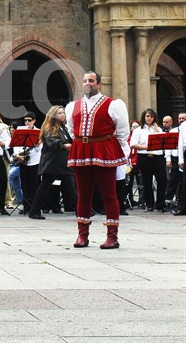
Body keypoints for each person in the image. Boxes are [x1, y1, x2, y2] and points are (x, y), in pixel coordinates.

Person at [66, 71, 129, 249]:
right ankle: (82, 235)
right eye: (85, 80)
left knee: (109, 194)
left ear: (99, 84)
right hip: (82, 149)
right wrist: (82, 140)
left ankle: (112, 237)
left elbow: (123, 130)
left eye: (91, 80)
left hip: (103, 149)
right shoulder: (73, 106)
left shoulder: (113, 104)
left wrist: (117, 149)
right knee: (83, 195)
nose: (87, 83)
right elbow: (71, 129)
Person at [29, 106, 77, 219]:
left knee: (71, 186)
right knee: (45, 187)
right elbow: (52, 141)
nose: (63, 115)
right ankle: (34, 210)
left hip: (63, 162)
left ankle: (81, 210)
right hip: (51, 163)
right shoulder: (48, 128)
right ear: (53, 115)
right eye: (59, 113)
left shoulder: (64, 128)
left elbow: (70, 140)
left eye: (63, 113)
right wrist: (63, 145)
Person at [130, 109, 167, 212]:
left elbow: (164, 142)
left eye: (151, 116)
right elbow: (133, 144)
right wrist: (147, 147)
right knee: (147, 181)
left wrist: (158, 131)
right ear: (144, 117)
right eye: (147, 116)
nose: (149, 118)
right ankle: (149, 204)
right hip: (144, 156)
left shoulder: (158, 129)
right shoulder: (138, 130)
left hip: (158, 156)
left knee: (162, 179)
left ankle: (160, 204)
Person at [13, 112, 41, 215]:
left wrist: (37, 145)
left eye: (29, 120)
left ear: (34, 121)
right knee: (24, 184)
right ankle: (26, 206)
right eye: (25, 120)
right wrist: (18, 155)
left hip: (34, 161)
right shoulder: (20, 131)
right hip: (23, 161)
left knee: (34, 185)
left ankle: (34, 206)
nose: (27, 122)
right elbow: (16, 145)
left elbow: (39, 150)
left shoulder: (38, 132)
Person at [162, 115, 181, 209]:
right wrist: (168, 159)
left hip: (183, 157)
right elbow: (168, 147)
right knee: (173, 180)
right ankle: (168, 201)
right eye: (180, 118)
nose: (181, 120)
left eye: (184, 118)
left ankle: (180, 200)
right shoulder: (173, 131)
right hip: (175, 158)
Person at [176, 112, 186, 216]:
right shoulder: (183, 125)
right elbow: (181, 143)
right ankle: (183, 208)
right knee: (184, 182)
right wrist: (181, 159)